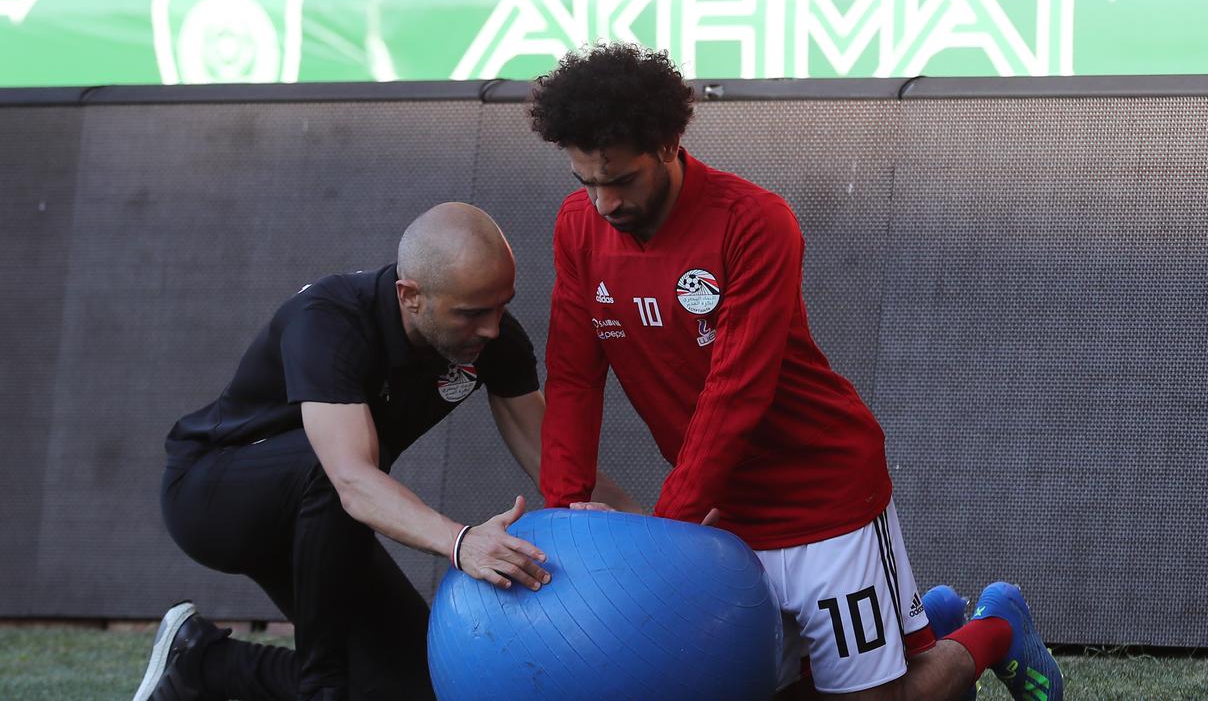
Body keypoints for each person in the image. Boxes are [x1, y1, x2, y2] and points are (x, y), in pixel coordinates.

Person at [531, 43, 1064, 701]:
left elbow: (735, 391)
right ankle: (937, 620)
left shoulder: (754, 222)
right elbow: (574, 378)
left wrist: (665, 539)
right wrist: (560, 516)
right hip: (723, 512)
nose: (604, 202)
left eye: (621, 180)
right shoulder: (577, 228)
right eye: (587, 182)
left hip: (821, 499)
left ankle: (995, 627)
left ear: (670, 143)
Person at [133, 202, 637, 701]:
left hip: (324, 521)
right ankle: (320, 688)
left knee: (420, 685)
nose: (491, 327)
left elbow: (557, 462)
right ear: (410, 295)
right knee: (329, 468)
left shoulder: (492, 340)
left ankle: (201, 662)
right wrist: (463, 543)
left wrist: (657, 528)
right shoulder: (330, 320)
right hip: (213, 495)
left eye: (501, 306)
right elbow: (348, 477)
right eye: (472, 313)